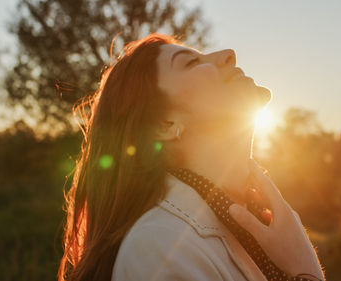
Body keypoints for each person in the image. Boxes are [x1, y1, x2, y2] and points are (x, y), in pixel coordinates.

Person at [58, 33, 325, 281]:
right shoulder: (159, 250)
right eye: (191, 62)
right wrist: (305, 271)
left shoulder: (249, 222)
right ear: (164, 124)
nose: (228, 54)